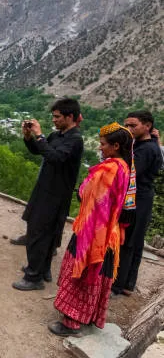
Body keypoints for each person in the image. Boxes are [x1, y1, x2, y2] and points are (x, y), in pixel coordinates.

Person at [49, 123, 133, 336]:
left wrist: (84, 187)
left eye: (103, 144)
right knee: (97, 276)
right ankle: (86, 317)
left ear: (115, 146)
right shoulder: (126, 166)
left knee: (82, 274)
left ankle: (71, 323)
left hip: (93, 233)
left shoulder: (107, 169)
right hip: (109, 233)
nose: (100, 148)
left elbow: (89, 195)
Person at [12, 98, 84, 291]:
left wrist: (40, 135)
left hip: (55, 195)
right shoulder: (58, 135)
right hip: (45, 190)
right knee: (43, 232)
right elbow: (39, 151)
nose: (54, 120)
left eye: (57, 117)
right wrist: (28, 137)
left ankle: (33, 277)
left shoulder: (75, 139)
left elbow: (55, 157)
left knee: (38, 233)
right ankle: (40, 270)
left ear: (70, 117)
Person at [112, 111, 163, 295]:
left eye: (133, 125)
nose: (129, 129)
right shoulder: (143, 145)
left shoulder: (147, 149)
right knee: (135, 240)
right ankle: (127, 284)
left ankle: (117, 285)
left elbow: (130, 173)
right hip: (140, 197)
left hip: (138, 199)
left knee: (128, 240)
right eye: (127, 125)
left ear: (147, 125)